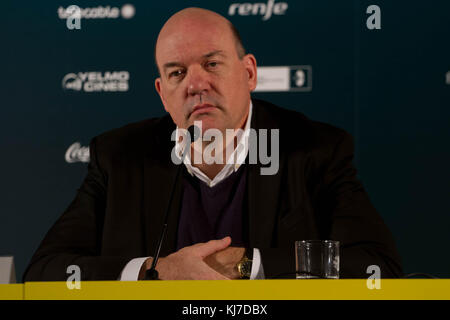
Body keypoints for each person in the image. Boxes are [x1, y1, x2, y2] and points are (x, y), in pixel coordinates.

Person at [23, 7, 402, 281]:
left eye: (212, 64)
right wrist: (156, 272)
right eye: (177, 72)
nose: (196, 83)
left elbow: (375, 266)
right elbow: (46, 271)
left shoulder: (315, 150)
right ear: (163, 94)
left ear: (249, 72)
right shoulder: (119, 157)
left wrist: (246, 264)